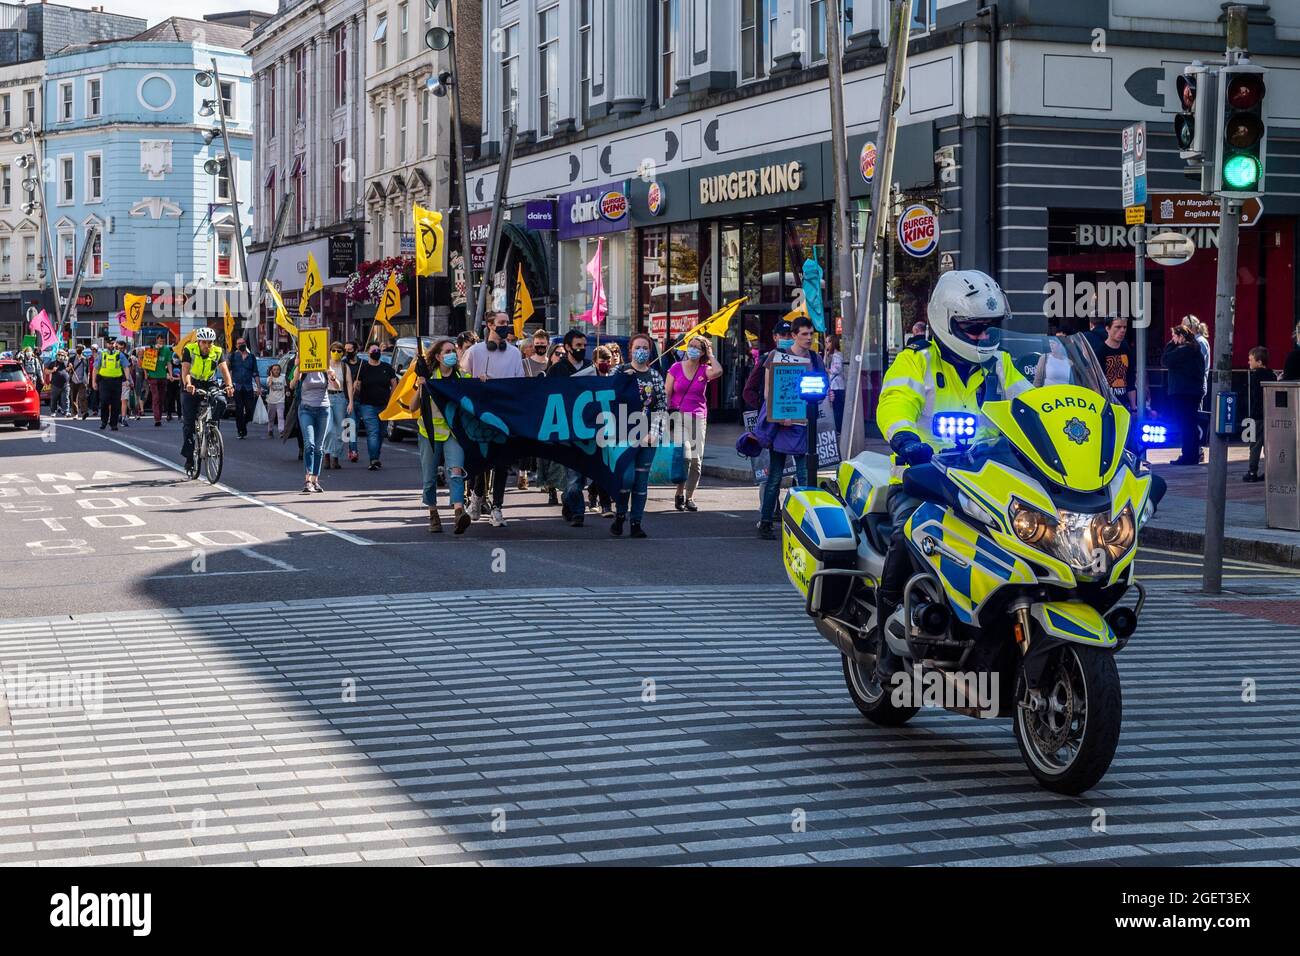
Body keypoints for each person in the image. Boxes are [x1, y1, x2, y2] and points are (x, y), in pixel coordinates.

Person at [874, 270, 1030, 679]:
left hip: (988, 482)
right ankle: (886, 641)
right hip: (924, 478)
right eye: (972, 328)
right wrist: (905, 439)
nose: (982, 337)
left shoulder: (1002, 367)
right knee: (907, 533)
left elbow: (1035, 406)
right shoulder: (917, 360)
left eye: (989, 329)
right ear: (946, 320)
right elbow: (894, 401)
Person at [753, 316, 826, 539]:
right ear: (793, 335)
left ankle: (806, 523)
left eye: (811, 334)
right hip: (782, 426)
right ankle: (766, 522)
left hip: (805, 426)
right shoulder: (776, 357)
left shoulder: (815, 357)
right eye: (804, 334)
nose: (809, 338)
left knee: (805, 476)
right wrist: (781, 414)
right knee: (775, 476)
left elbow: (822, 386)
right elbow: (768, 391)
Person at [463, 311, 525, 527]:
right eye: (501, 323)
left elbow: (520, 384)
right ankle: (477, 497)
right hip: (480, 416)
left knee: (502, 461)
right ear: (490, 325)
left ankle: (497, 507)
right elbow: (461, 381)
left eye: (507, 323)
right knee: (483, 460)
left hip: (505, 415)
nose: (505, 326)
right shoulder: (474, 352)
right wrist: (476, 380)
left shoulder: (515, 353)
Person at [407, 338, 472, 534]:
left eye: (454, 350)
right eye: (447, 351)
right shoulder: (428, 378)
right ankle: (433, 514)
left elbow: (477, 395)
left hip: (453, 433)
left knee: (456, 472)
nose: (452, 354)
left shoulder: (463, 377)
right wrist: (421, 387)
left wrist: (482, 381)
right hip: (430, 433)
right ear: (437, 356)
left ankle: (459, 512)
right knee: (429, 478)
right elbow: (412, 407)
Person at [611, 332, 666, 539]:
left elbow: (661, 405)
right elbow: (608, 396)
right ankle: (620, 515)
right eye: (637, 348)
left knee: (641, 481)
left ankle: (636, 522)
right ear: (630, 351)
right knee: (626, 478)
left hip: (648, 436)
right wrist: (621, 380)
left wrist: (654, 433)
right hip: (624, 434)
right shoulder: (620, 370)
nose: (641, 352)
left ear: (650, 351)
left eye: (645, 348)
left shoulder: (654, 376)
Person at [666, 334, 722, 512]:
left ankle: (689, 496)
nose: (693, 349)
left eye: (698, 347)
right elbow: (667, 393)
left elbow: (719, 371)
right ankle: (679, 491)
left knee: (696, 460)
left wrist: (711, 355)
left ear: (703, 352)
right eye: (691, 345)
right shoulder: (675, 368)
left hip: (698, 416)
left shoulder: (705, 369)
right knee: (685, 455)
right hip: (678, 415)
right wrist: (666, 417)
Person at [548, 328, 592, 526]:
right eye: (578, 346)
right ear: (567, 347)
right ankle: (578, 512)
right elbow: (546, 394)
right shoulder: (557, 370)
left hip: (588, 427)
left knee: (583, 473)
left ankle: (568, 499)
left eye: (584, 346)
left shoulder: (591, 367)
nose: (582, 349)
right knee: (573, 472)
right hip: (566, 426)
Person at [179, 328, 234, 471]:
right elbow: (185, 370)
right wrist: (188, 384)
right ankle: (190, 459)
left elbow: (224, 370)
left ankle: (211, 429)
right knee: (189, 424)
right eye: (204, 342)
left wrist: (229, 385)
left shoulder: (217, 351)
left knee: (221, 401)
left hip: (209, 382)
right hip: (191, 383)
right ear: (198, 341)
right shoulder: (189, 350)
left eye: (210, 343)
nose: (207, 346)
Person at [1161, 324, 1205, 467]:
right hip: (1193, 392)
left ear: (1181, 336)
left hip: (1181, 392)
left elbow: (1165, 360)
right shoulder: (1196, 350)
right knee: (1191, 423)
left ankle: (1188, 455)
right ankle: (1193, 453)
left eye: (1174, 336)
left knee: (1184, 424)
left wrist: (1170, 344)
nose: (1172, 339)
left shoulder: (1182, 351)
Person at [292, 362, 337, 493]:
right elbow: (292, 384)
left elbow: (337, 386)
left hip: (324, 410)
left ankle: (315, 480)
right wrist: (297, 371)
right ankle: (307, 480)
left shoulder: (325, 367)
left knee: (319, 447)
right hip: (306, 410)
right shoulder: (302, 368)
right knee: (309, 444)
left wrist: (332, 376)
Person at [352, 343, 397, 470]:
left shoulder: (387, 367)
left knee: (381, 433)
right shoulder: (363, 368)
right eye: (373, 350)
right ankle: (373, 459)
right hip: (367, 405)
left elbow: (394, 383)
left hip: (384, 405)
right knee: (373, 432)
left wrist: (392, 399)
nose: (376, 351)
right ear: (368, 353)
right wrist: (356, 387)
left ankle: (376, 456)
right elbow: (357, 387)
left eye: (378, 350)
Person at [586, 346, 616, 517]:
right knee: (599, 465)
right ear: (595, 362)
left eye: (607, 361)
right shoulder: (589, 378)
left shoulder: (613, 378)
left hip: (609, 426)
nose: (605, 364)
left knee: (606, 466)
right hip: (593, 427)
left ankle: (602, 501)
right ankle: (601, 500)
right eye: (602, 361)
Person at [1242, 346, 1274, 483]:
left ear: (1259, 362)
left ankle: (1252, 471)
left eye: (1251, 360)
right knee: (1269, 446)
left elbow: (1253, 398)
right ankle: (1270, 471)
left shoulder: (1255, 376)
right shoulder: (1272, 375)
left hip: (1256, 416)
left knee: (1254, 445)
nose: (1248, 363)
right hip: (1270, 414)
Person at [1091, 316, 1136, 411]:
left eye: (1124, 327)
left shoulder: (1126, 351)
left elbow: (1130, 379)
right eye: (1118, 327)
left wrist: (1133, 407)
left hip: (1124, 404)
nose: (1122, 330)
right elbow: (1095, 383)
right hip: (1105, 405)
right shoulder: (1099, 352)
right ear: (1107, 328)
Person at [226, 337, 261, 439]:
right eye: (239, 343)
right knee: (239, 410)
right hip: (237, 387)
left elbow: (255, 373)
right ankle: (241, 431)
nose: (241, 345)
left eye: (243, 343)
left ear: (246, 344)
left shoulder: (251, 357)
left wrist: (259, 387)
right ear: (236, 345)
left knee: (250, 411)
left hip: (249, 387)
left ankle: (244, 423)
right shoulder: (233, 356)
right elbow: (227, 370)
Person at [92, 339, 129, 431]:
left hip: (116, 381)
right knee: (104, 402)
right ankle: (104, 421)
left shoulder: (119, 355)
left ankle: (114, 424)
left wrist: (127, 379)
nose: (111, 345)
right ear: (106, 344)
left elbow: (126, 367)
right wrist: (94, 382)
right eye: (109, 343)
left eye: (113, 343)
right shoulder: (102, 354)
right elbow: (95, 369)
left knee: (116, 403)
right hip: (104, 381)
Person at [323, 342, 348, 470]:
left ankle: (335, 457)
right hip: (326, 396)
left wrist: (351, 402)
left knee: (340, 430)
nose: (336, 353)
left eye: (339, 351)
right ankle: (326, 455)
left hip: (340, 398)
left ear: (343, 353)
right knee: (328, 428)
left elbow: (349, 383)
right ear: (330, 351)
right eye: (334, 350)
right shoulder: (324, 365)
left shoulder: (344, 367)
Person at [340, 341, 362, 462]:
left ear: (356, 350)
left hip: (361, 399)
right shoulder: (343, 364)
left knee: (356, 426)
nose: (347, 352)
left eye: (350, 349)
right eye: (345, 349)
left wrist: (360, 384)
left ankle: (350, 446)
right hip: (348, 399)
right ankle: (354, 450)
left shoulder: (362, 364)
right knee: (352, 424)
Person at [146, 335, 174, 426]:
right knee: (156, 397)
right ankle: (157, 419)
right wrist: (156, 350)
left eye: (163, 341)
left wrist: (170, 374)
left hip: (162, 376)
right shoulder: (151, 348)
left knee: (161, 398)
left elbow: (169, 362)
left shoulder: (167, 350)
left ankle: (159, 416)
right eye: (160, 341)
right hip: (153, 376)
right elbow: (147, 363)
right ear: (157, 340)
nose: (161, 343)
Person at [824, 333, 846, 433]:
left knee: (837, 409)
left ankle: (839, 429)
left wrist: (827, 370)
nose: (826, 344)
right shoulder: (831, 355)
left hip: (837, 386)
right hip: (833, 385)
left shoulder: (837, 355)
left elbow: (836, 369)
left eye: (828, 342)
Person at [264, 362, 287, 438]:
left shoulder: (283, 378)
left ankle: (281, 431)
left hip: (281, 400)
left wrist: (287, 392)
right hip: (271, 401)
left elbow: (286, 387)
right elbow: (269, 384)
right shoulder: (269, 378)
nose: (276, 371)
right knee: (271, 417)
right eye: (274, 370)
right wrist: (271, 376)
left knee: (280, 416)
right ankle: (270, 430)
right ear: (271, 371)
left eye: (278, 369)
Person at [69, 344, 90, 419]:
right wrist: (70, 367)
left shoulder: (85, 359)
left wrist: (88, 381)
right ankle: (75, 413)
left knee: (82, 397)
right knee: (73, 397)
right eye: (78, 348)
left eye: (80, 349)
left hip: (82, 380)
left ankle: (84, 412)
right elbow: (67, 369)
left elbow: (88, 371)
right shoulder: (71, 358)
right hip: (73, 380)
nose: (79, 350)